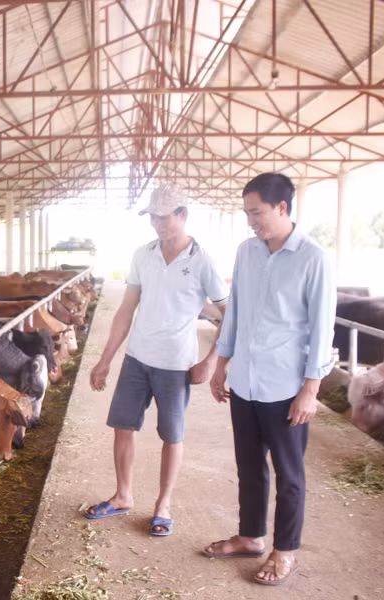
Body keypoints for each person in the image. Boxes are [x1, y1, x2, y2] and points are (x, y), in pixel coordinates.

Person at [204, 172, 336, 585]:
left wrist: (310, 390)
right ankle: (250, 536)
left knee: (289, 474)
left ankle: (285, 550)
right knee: (248, 465)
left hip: (285, 387)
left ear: (282, 207)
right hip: (245, 380)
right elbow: (236, 312)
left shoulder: (313, 258)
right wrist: (221, 363)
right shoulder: (247, 252)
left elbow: (322, 329)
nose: (251, 221)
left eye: (256, 213)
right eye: (246, 213)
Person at [84, 185, 229, 536]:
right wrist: (105, 359)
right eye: (153, 217)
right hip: (137, 357)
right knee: (123, 426)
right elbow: (126, 310)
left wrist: (211, 361)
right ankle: (123, 495)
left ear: (183, 215)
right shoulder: (143, 255)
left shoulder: (203, 261)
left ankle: (163, 505)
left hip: (176, 363)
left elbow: (230, 314)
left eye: (164, 217)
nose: (158, 224)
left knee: (172, 435)